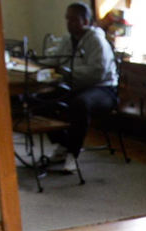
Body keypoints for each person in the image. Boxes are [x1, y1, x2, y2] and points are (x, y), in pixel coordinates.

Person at [38, 2, 118, 172]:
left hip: (103, 89)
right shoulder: (67, 39)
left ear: (86, 21)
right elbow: (56, 60)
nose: (69, 24)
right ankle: (64, 144)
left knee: (80, 104)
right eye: (68, 19)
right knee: (39, 101)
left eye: (74, 20)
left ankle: (72, 153)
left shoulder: (97, 41)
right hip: (75, 85)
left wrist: (66, 72)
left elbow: (97, 73)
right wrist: (34, 63)